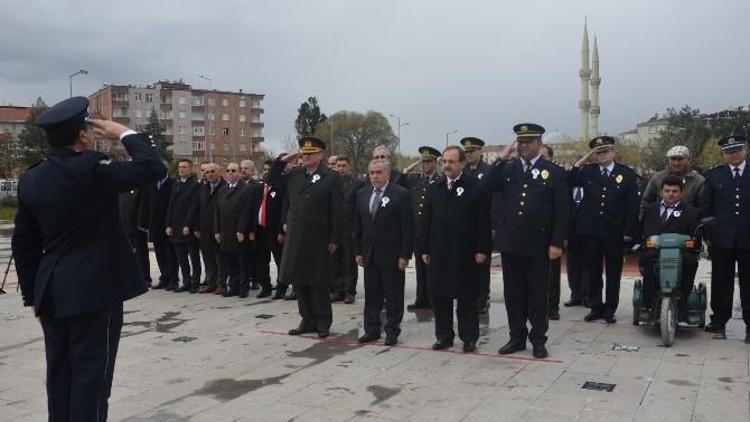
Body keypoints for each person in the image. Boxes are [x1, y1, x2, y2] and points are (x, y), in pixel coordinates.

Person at [11, 96, 165, 421]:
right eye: (88, 130)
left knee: (60, 374)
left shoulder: (31, 178)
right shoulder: (93, 171)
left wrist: (33, 298)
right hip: (95, 292)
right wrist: (123, 132)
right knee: (92, 377)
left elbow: (23, 245)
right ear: (82, 135)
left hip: (52, 291)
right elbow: (153, 167)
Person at [482, 123, 569, 359]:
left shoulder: (554, 172)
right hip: (511, 243)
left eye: (528, 142)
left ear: (539, 143)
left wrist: (557, 243)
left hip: (539, 244)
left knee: (537, 295)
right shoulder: (508, 169)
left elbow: (562, 212)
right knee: (514, 294)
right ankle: (517, 337)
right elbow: (485, 186)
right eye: (520, 142)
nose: (523, 146)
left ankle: (538, 339)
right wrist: (500, 159)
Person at [269, 137, 343, 338]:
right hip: (296, 236)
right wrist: (286, 159)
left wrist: (334, 238)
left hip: (319, 236)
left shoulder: (331, 176)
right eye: (303, 153)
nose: (306, 156)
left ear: (320, 155)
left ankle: (323, 321)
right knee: (299, 281)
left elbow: (338, 209)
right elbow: (271, 179)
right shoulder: (295, 174)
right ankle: (307, 319)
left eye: (310, 153)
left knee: (318, 282)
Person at [421, 146, 491, 353]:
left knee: (466, 297)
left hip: (465, 252)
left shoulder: (475, 186)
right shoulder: (435, 187)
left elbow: (483, 221)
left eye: (451, 161)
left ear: (461, 163)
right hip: (439, 252)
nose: (447, 165)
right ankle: (444, 336)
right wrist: (424, 247)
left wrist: (482, 249)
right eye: (444, 161)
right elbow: (426, 221)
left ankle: (468, 337)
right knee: (440, 296)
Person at [570, 136, 638, 324]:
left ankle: (610, 308)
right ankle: (595, 306)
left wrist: (629, 231)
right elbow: (570, 178)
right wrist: (586, 158)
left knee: (613, 271)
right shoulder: (588, 172)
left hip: (614, 231)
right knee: (593, 270)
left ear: (613, 152)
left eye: (605, 151)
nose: (602, 155)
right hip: (590, 229)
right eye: (598, 152)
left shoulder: (626, 173)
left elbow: (632, 205)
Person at [354, 159, 414, 346]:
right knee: (372, 295)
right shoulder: (363, 194)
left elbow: (408, 228)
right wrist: (358, 251)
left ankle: (392, 331)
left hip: (392, 255)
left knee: (393, 295)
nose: (374, 176)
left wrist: (405, 255)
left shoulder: (401, 194)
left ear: (387, 174)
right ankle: (371, 329)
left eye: (378, 172)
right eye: (371, 172)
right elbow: (358, 226)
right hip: (369, 254)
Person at [701, 135, 750, 343]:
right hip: (722, 239)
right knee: (721, 282)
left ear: (745, 150)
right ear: (724, 154)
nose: (734, 155)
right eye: (729, 152)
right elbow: (707, 207)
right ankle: (719, 322)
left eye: (737, 150)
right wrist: (708, 236)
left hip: (748, 238)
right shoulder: (715, 176)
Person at [639, 175, 700, 308]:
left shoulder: (692, 213)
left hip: (680, 253)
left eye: (674, 191)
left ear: (682, 193)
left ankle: (682, 301)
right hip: (654, 251)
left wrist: (688, 245)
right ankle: (649, 304)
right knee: (649, 259)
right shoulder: (650, 210)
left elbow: (696, 241)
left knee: (690, 261)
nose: (670, 194)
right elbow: (643, 233)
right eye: (667, 191)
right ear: (660, 192)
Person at [404, 146, 441, 310]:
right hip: (417, 230)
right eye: (423, 161)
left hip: (433, 231)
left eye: (428, 161)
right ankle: (421, 298)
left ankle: (434, 298)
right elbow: (399, 177)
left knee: (432, 267)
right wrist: (412, 165)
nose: (425, 165)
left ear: (435, 162)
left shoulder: (440, 180)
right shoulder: (415, 179)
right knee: (419, 267)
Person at [460, 137, 493, 314]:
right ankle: (469, 296)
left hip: (483, 224)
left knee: (482, 264)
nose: (469, 154)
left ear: (481, 151)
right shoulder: (463, 171)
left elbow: (494, 200)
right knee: (467, 265)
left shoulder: (487, 171)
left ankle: (482, 298)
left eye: (472, 151)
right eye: (466, 151)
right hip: (465, 226)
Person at [214, 163, 254, 297]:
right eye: (228, 170)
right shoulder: (222, 189)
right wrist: (217, 231)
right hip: (225, 231)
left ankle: (243, 288)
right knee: (230, 261)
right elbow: (217, 212)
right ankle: (233, 286)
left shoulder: (246, 189)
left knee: (242, 261)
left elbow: (246, 212)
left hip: (238, 231)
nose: (230, 173)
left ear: (239, 173)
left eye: (233, 170)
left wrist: (241, 230)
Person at [165, 159, 201, 293]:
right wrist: (168, 224)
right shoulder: (176, 184)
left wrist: (188, 224)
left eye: (185, 167)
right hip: (175, 226)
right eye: (180, 167)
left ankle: (195, 282)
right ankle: (186, 282)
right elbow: (171, 205)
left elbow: (194, 206)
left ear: (190, 169)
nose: (181, 169)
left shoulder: (195, 185)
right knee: (181, 258)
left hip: (188, 227)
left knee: (193, 257)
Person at [258, 157, 292, 300]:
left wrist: (281, 231)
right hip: (261, 228)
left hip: (275, 229)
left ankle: (281, 287)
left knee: (279, 260)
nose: (267, 173)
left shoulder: (282, 185)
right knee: (261, 260)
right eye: (265, 170)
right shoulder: (262, 186)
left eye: (270, 170)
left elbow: (284, 209)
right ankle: (265, 287)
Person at [330, 156, 362, 304]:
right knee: (335, 260)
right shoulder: (331, 183)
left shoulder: (357, 184)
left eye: (344, 166)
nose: (341, 168)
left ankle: (350, 291)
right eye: (338, 166)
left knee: (349, 262)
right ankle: (338, 290)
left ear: (349, 167)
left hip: (350, 228)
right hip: (335, 229)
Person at [140, 168, 178, 289]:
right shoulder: (152, 184)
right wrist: (143, 222)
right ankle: (164, 277)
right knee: (159, 253)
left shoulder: (173, 184)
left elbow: (174, 206)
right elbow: (146, 203)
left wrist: (171, 223)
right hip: (154, 225)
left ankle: (173, 279)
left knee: (170, 253)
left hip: (167, 225)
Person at [640, 145, 705, 216]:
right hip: (661, 222)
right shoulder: (658, 178)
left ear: (688, 160)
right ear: (668, 160)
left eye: (680, 159)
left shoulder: (698, 181)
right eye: (673, 159)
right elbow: (646, 202)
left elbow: (703, 207)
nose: (676, 163)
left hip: (688, 222)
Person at [539, 144, 562, 320]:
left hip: (551, 232)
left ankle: (552, 307)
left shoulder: (556, 174)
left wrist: (559, 238)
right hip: (533, 234)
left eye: (544, 156)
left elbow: (563, 209)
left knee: (553, 273)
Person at [196, 163, 226, 294]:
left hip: (219, 228)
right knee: (208, 257)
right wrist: (197, 227)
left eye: (212, 171)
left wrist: (219, 229)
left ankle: (222, 284)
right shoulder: (203, 187)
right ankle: (211, 282)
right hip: (205, 228)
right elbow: (198, 207)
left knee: (220, 259)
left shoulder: (224, 187)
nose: (209, 174)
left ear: (219, 172)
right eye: (207, 173)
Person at [119, 187, 151, 289]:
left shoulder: (140, 187)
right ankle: (132, 279)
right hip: (124, 227)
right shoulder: (122, 189)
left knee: (141, 254)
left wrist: (141, 222)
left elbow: (143, 206)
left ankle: (145, 278)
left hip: (137, 228)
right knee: (128, 256)